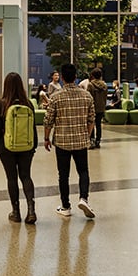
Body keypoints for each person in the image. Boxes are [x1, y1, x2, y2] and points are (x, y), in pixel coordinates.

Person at [43, 63, 96, 219]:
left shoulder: (56, 97)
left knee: (63, 175)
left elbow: (48, 121)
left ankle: (65, 206)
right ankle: (84, 198)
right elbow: (91, 119)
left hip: (62, 142)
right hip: (81, 141)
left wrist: (46, 138)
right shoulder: (86, 96)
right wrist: (87, 135)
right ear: (75, 77)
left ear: (62, 78)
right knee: (83, 171)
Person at [0, 72, 39, 225]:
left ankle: (15, 212)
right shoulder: (28, 104)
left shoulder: (2, 104)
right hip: (26, 146)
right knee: (26, 176)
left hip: (6, 147)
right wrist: (33, 145)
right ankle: (31, 210)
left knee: (12, 178)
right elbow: (32, 127)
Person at [87, 69, 108, 149]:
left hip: (93, 107)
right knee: (98, 124)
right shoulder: (104, 85)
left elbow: (89, 97)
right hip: (101, 107)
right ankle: (98, 141)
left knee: (91, 123)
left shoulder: (90, 85)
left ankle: (92, 140)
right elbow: (105, 96)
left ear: (92, 75)